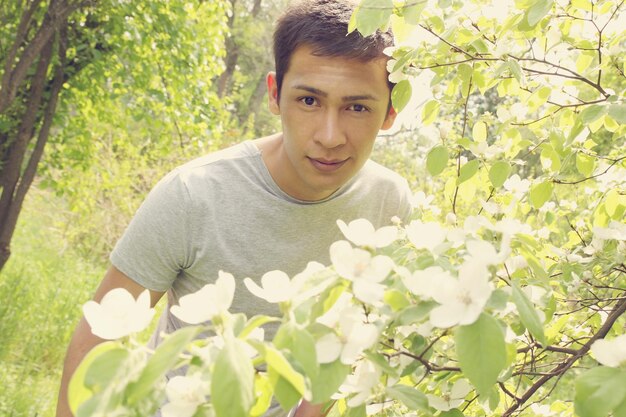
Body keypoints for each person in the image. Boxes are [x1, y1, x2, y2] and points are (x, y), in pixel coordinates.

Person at [56, 0, 412, 416]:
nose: (330, 136)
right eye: (309, 101)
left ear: (389, 113)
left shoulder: (390, 204)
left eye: (357, 107)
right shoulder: (193, 194)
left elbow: (353, 333)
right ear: (275, 95)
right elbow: (96, 340)